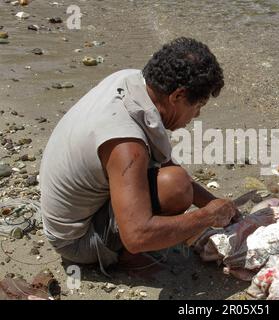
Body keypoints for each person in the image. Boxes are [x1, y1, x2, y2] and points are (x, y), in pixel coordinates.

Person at [39, 37, 239, 275]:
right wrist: (207, 216)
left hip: (73, 214)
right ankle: (125, 259)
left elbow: (164, 161)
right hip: (77, 241)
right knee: (174, 186)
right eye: (198, 106)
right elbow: (136, 236)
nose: (196, 115)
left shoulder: (131, 81)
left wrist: (219, 206)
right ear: (177, 96)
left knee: (175, 178)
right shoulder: (126, 144)